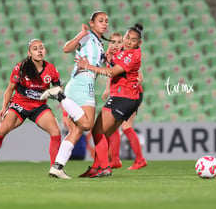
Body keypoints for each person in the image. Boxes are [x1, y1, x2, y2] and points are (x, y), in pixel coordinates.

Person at [41, 11, 109, 179]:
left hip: (77, 83)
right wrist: (82, 34)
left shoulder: (99, 44)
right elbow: (66, 49)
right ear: (91, 23)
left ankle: (57, 167)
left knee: (76, 131)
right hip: (83, 83)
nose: (105, 23)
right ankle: (59, 96)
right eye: (100, 20)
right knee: (86, 124)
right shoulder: (88, 37)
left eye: (106, 21)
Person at [0, 39, 62, 176]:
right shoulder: (21, 67)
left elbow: (60, 90)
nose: (39, 51)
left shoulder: (51, 69)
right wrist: (4, 107)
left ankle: (55, 169)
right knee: (2, 129)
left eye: (41, 47)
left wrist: (65, 113)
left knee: (56, 132)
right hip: (19, 104)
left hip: (39, 107)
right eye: (35, 49)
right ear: (29, 53)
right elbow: (10, 89)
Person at [75, 23, 144, 178]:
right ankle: (96, 167)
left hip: (123, 98)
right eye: (127, 37)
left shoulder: (132, 56)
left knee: (97, 131)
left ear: (138, 43)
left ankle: (105, 167)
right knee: (105, 134)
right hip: (126, 98)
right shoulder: (123, 51)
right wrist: (108, 56)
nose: (127, 41)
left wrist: (88, 66)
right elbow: (113, 60)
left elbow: (112, 72)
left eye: (132, 40)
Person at [103, 32, 147, 170]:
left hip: (132, 94)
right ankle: (115, 160)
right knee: (113, 127)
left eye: (118, 42)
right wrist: (108, 89)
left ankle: (140, 160)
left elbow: (140, 78)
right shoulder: (111, 56)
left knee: (126, 127)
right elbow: (113, 74)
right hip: (120, 94)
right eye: (112, 42)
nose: (115, 45)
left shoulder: (127, 55)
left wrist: (128, 88)